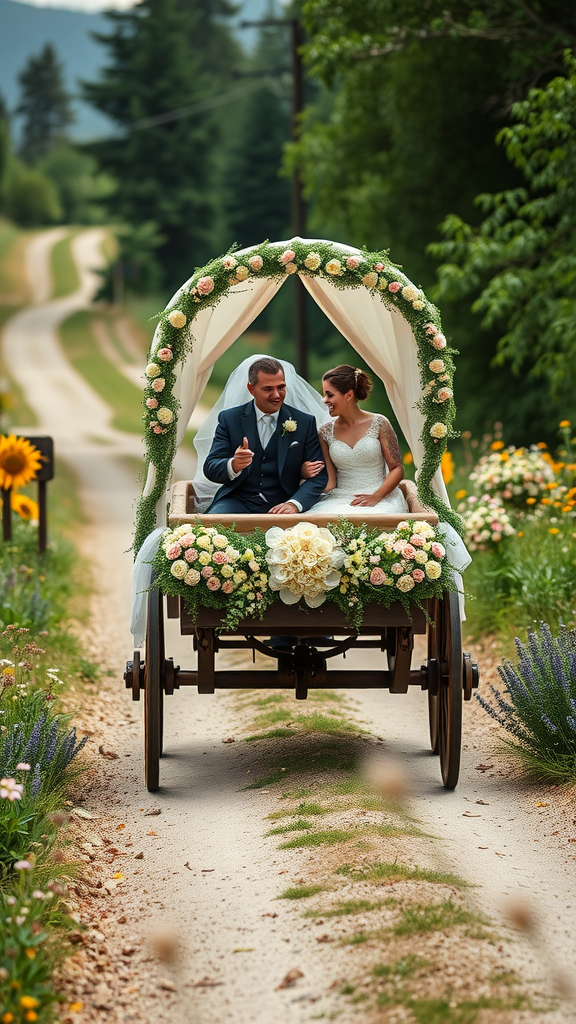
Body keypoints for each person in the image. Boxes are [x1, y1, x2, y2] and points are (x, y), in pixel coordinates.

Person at [203, 357, 328, 514]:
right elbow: (210, 467)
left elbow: (319, 476)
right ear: (251, 389)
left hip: (284, 502)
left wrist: (294, 504)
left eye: (281, 387)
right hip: (237, 501)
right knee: (211, 527)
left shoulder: (304, 421)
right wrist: (234, 464)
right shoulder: (230, 419)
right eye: (268, 389)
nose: (276, 395)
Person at [303, 364, 408, 514]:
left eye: (329, 395)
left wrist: (375, 497)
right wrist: (304, 474)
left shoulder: (379, 423)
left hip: (380, 498)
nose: (324, 400)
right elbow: (330, 483)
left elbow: (397, 468)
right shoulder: (324, 432)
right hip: (340, 499)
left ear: (349, 395)